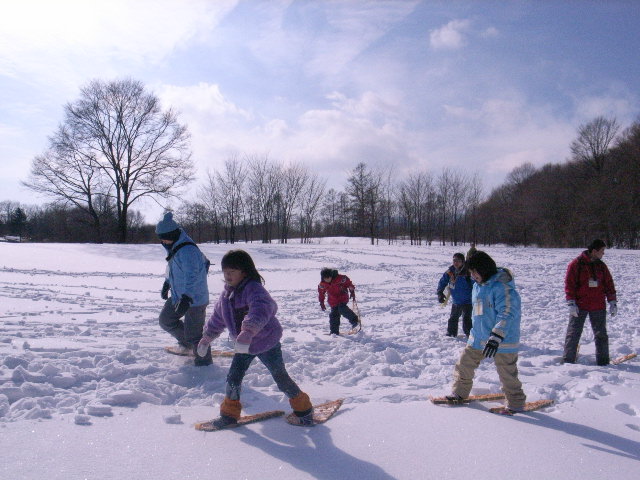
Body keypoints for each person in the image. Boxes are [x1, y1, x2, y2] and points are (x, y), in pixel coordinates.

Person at [197, 250, 314, 428]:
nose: (228, 275)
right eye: (225, 271)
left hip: (266, 342)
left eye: (232, 271)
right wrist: (207, 338)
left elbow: (262, 308)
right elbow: (217, 318)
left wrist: (248, 331)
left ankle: (304, 411)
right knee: (233, 379)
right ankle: (229, 415)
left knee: (280, 377)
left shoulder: (253, 289)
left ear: (244, 271)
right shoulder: (226, 295)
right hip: (244, 346)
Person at [446, 251, 526, 413]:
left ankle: (516, 403)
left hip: (502, 340)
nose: (472, 275)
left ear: (484, 269)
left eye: (474, 272)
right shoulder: (477, 286)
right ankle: (460, 393)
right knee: (464, 365)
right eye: (470, 272)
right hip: (479, 338)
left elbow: (508, 313)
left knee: (507, 373)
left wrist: (496, 335)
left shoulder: (502, 287)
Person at [156, 212, 212, 366]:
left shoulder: (188, 250)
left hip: (195, 299)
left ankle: (204, 363)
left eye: (164, 237)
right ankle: (188, 345)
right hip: (178, 296)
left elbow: (192, 275)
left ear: (172, 234)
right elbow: (174, 269)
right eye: (160, 237)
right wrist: (167, 283)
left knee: (194, 334)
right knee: (166, 321)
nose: (162, 241)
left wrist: (187, 297)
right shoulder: (174, 247)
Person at [563, 239, 617, 366]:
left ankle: (603, 362)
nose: (603, 253)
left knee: (601, 335)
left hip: (598, 305)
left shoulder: (602, 266)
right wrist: (571, 302)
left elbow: (609, 284)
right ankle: (568, 361)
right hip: (579, 306)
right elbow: (569, 285)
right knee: (573, 333)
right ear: (594, 251)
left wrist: (612, 301)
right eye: (602, 251)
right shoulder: (576, 264)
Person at [436, 253, 473, 337]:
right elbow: (442, 282)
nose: (455, 263)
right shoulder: (450, 272)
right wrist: (440, 292)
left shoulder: (468, 272)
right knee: (453, 318)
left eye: (458, 261)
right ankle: (451, 333)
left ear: (463, 262)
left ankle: (470, 334)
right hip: (456, 301)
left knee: (467, 318)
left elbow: (476, 284)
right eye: (454, 260)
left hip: (468, 301)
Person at [317, 268, 359, 335]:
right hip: (333, 301)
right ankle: (334, 332)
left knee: (341, 308)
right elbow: (321, 294)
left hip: (342, 298)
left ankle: (354, 320)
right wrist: (321, 302)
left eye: (329, 277)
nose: (327, 279)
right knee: (334, 315)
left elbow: (349, 283)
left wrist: (352, 290)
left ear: (331, 276)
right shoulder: (322, 284)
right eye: (325, 278)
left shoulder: (341, 278)